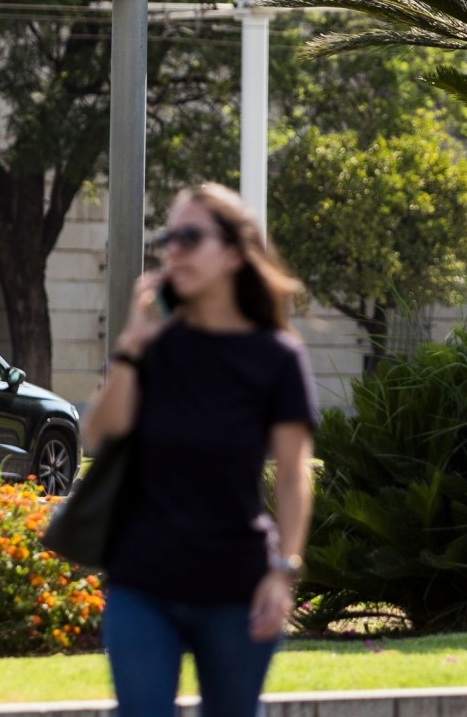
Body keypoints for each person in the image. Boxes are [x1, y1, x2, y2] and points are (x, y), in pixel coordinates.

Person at [83, 182, 318, 717]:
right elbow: (99, 434)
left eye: (190, 237)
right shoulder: (153, 344)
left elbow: (291, 475)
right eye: (168, 238)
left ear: (235, 253)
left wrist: (283, 571)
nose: (173, 251)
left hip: (237, 584)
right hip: (142, 579)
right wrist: (132, 344)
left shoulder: (276, 358)